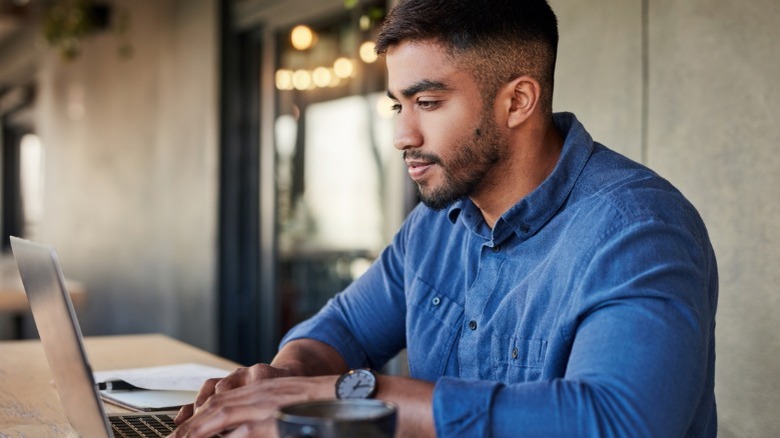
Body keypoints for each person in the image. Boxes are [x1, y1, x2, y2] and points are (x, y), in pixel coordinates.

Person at [171, 0, 718, 436]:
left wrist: (349, 394)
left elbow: (618, 422)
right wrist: (286, 379)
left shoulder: (638, 229)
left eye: (427, 102)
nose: (402, 137)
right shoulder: (435, 225)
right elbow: (340, 330)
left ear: (518, 100)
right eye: (396, 105)